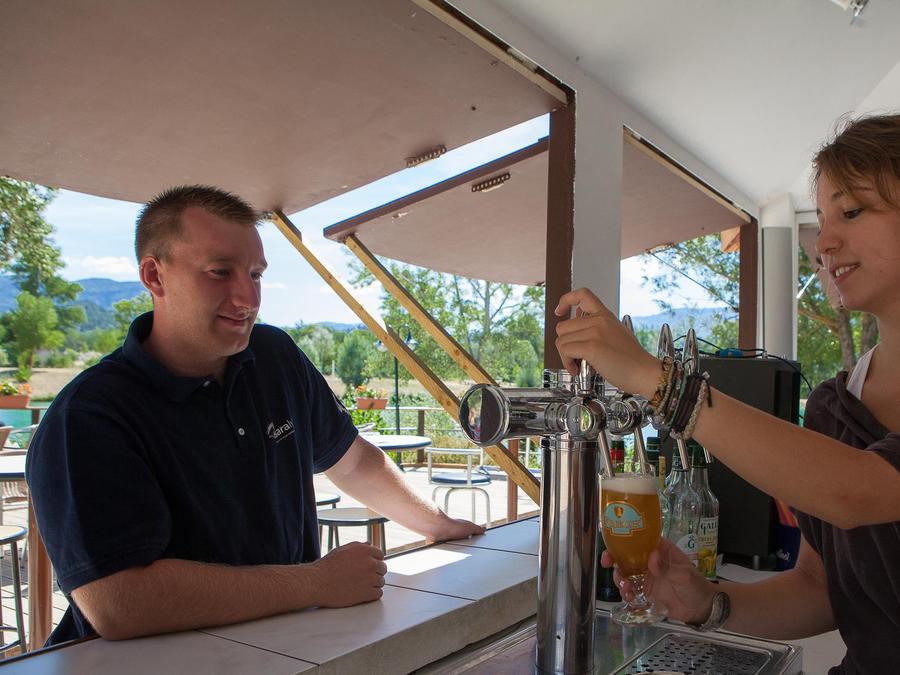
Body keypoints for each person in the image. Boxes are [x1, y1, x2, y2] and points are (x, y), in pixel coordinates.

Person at [26, 185, 483, 645]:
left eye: (255, 274)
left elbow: (352, 461)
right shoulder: (88, 416)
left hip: (283, 651)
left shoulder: (275, 357)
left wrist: (438, 525)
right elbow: (120, 602)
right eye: (220, 272)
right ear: (154, 276)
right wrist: (316, 583)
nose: (248, 298)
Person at [554, 113, 900, 675]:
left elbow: (861, 492)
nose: (824, 242)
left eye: (853, 212)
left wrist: (653, 378)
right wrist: (708, 602)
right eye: (822, 219)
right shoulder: (836, 409)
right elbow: (821, 588)